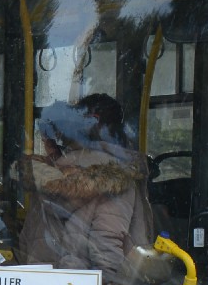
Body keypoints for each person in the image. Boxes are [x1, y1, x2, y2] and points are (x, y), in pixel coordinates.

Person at [20, 99, 155, 275]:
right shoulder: (116, 174)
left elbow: (27, 237)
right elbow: (107, 244)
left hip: (40, 280)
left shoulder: (54, 172)